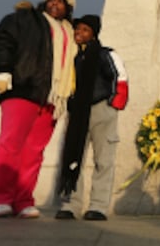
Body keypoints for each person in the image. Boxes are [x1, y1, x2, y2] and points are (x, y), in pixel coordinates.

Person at [0, 0, 78, 218]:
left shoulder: (70, 31)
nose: (55, 3)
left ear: (68, 7)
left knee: (34, 151)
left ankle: (23, 199)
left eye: (61, 1)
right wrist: (3, 70)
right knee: (10, 144)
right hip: (23, 88)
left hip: (52, 98)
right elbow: (2, 41)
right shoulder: (26, 19)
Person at [55, 14, 129, 221]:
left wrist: (114, 104)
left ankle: (98, 206)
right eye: (77, 29)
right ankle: (71, 204)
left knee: (103, 160)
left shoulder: (105, 54)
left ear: (94, 34)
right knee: (73, 156)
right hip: (78, 113)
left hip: (100, 109)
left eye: (85, 30)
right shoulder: (72, 56)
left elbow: (119, 77)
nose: (79, 33)